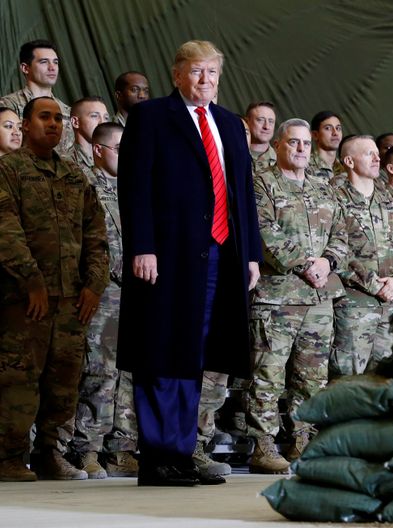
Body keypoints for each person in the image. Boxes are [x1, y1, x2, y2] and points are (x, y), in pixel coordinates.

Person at [116, 40, 261, 487]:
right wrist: (142, 245)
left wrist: (252, 253)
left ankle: (180, 453)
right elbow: (135, 186)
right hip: (166, 255)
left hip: (220, 255)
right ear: (178, 74)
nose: (205, 81)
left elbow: (243, 195)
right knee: (161, 350)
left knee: (194, 353)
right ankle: (157, 455)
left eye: (212, 73)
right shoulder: (152, 117)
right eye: (197, 72)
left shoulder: (230, 125)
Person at [0, 96, 109, 482]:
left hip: (71, 301)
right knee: (18, 380)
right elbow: (6, 231)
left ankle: (51, 454)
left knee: (64, 382)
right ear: (26, 125)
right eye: (44, 117)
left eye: (59, 119)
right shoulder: (8, 169)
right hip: (23, 300)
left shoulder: (75, 175)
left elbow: (97, 236)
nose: (53, 124)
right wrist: (31, 280)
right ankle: (9, 457)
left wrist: (94, 286)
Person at [246, 118, 348, 473]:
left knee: (312, 378)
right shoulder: (262, 182)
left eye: (306, 143)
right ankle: (263, 444)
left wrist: (328, 261)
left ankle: (302, 440)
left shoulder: (323, 187)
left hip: (319, 298)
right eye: (294, 142)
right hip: (278, 297)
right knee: (268, 374)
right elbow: (263, 230)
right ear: (279, 145)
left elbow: (341, 231)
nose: (302, 148)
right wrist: (305, 263)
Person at [70, 122, 138, 479]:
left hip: (139, 291)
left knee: (131, 373)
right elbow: (85, 243)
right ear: (98, 149)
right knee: (100, 371)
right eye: (118, 148)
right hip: (105, 292)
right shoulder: (84, 186)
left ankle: (123, 448)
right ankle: (88, 448)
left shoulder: (137, 188)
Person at [331, 135, 393, 376]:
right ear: (349, 160)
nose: (378, 157)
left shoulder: (389, 198)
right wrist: (372, 283)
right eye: (369, 153)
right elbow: (334, 248)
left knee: (387, 377)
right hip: (354, 303)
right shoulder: (334, 197)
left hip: (391, 302)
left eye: (378, 153)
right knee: (347, 377)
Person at [0, 40, 74, 154]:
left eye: (55, 62)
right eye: (44, 62)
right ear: (25, 68)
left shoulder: (67, 112)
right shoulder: (7, 106)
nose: (52, 67)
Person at [65, 97, 110, 176]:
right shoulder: (67, 163)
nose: (102, 123)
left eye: (106, 118)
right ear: (76, 122)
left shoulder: (112, 156)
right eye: (94, 116)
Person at [308, 110, 345, 181]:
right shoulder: (304, 165)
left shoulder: (346, 169)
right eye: (328, 128)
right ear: (315, 135)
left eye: (338, 128)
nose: (335, 133)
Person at [246, 101, 277, 174]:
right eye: (260, 120)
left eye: (271, 121)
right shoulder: (232, 155)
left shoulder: (281, 160)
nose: (266, 126)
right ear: (247, 122)